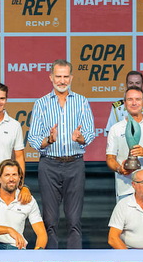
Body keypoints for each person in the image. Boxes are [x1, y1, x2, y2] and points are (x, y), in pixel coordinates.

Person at [28, 59, 95, 249]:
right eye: (58, 76)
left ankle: (75, 260)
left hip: (75, 163)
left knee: (74, 219)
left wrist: (80, 138)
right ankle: (51, 259)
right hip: (49, 164)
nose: (62, 81)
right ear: (51, 77)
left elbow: (90, 133)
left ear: (71, 78)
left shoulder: (81, 102)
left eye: (66, 76)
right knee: (50, 219)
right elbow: (33, 138)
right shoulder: (41, 103)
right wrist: (49, 140)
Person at [0, 159, 47, 250]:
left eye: (14, 175)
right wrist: (9, 230)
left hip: (15, 247)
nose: (11, 179)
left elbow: (41, 234)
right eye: (7, 175)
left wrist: (38, 251)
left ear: (19, 177)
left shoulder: (28, 199)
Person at [105, 71, 143, 136]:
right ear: (126, 85)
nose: (134, 85)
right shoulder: (118, 108)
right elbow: (110, 132)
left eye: (137, 83)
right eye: (131, 83)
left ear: (142, 85)